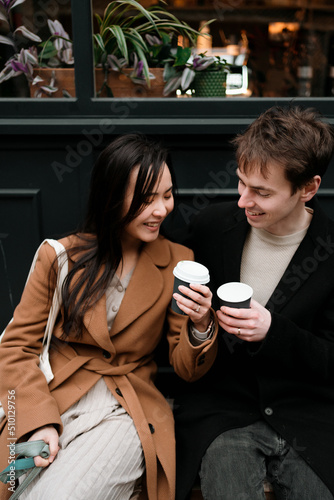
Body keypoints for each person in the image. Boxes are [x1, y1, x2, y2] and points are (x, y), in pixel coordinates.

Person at [0, 133, 214, 500]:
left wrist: (199, 326)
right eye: (146, 199)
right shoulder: (59, 256)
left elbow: (186, 368)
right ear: (112, 196)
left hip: (127, 407)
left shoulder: (180, 262)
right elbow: (17, 346)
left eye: (166, 195)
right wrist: (37, 423)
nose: (162, 210)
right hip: (53, 395)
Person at [170, 106, 334, 500]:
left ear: (308, 189)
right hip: (225, 412)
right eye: (241, 183)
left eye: (262, 192)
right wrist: (199, 322)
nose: (244, 201)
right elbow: (182, 339)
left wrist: (273, 332)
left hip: (306, 414)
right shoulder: (211, 228)